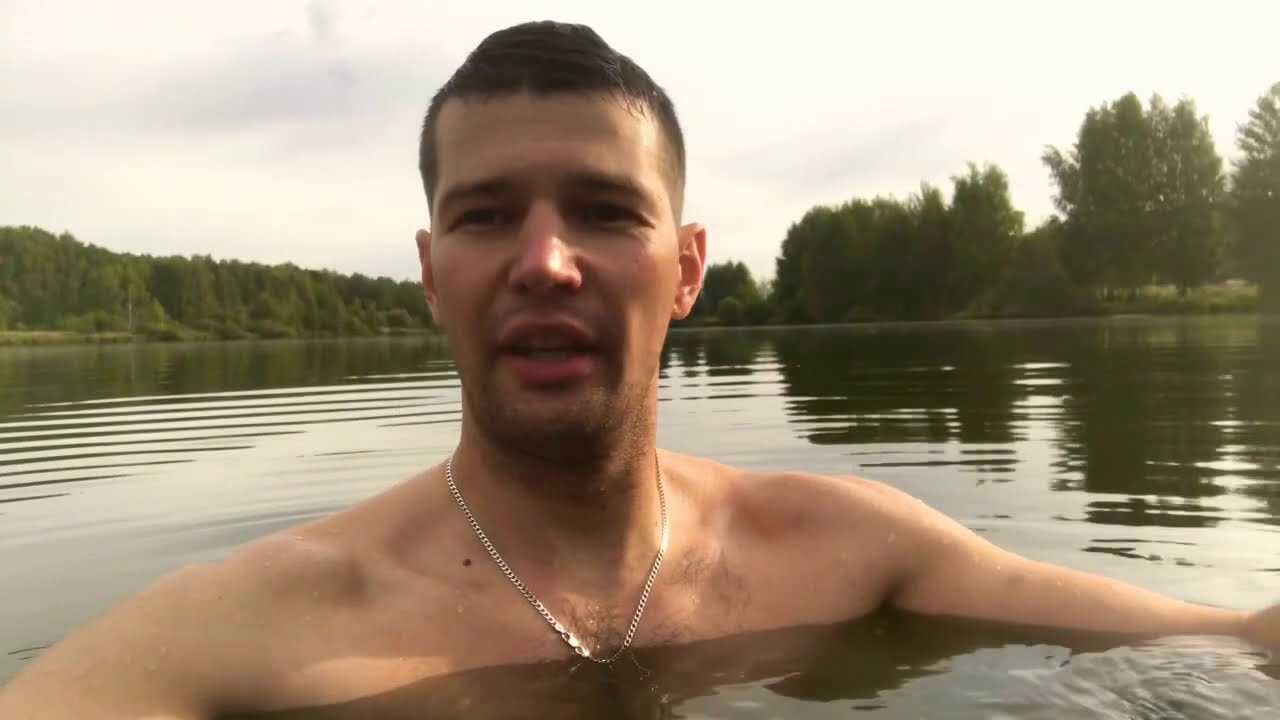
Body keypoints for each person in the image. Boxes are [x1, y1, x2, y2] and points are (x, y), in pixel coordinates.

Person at [1, 19, 1276, 720]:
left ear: (685, 268)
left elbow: (1225, 642)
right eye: (486, 215)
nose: (544, 262)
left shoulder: (850, 547)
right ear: (432, 273)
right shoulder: (248, 629)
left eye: (605, 211)